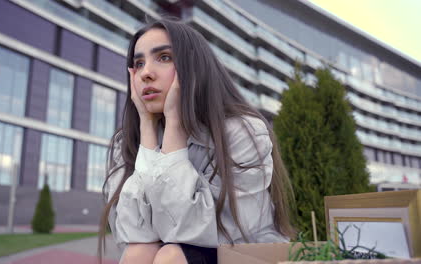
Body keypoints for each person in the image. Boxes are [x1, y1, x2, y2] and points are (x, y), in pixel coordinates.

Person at [98, 17, 295, 264]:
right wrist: (147, 132)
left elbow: (210, 231)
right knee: (139, 252)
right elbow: (133, 233)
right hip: (173, 252)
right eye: (138, 63)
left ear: (193, 66)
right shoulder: (127, 142)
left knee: (170, 256)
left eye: (164, 57)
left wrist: (175, 129)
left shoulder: (243, 131)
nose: (146, 73)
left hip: (245, 251)